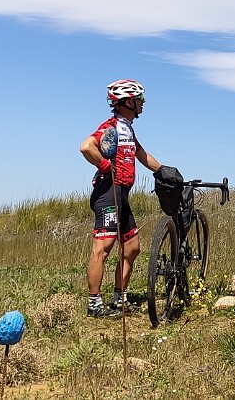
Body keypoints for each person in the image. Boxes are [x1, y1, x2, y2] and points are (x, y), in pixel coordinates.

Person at [79, 78, 168, 318]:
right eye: (140, 100)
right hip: (108, 193)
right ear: (128, 101)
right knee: (103, 248)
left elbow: (140, 153)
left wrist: (162, 170)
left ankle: (120, 298)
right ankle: (95, 305)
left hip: (122, 194)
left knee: (132, 247)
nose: (143, 104)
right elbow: (87, 146)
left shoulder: (127, 127)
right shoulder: (111, 127)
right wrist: (106, 165)